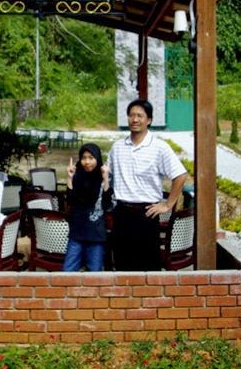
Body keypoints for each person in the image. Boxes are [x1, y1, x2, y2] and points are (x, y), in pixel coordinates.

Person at [108, 99, 187, 271]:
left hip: (147, 215)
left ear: (149, 120)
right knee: (121, 264)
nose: (135, 119)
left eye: (140, 116)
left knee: (148, 268)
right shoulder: (117, 147)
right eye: (131, 115)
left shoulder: (159, 147)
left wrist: (167, 205)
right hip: (121, 214)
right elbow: (108, 176)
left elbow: (180, 175)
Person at [62, 143, 114, 272]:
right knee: (68, 271)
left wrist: (106, 179)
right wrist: (69, 178)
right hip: (77, 232)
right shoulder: (77, 175)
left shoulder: (104, 177)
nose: (87, 162)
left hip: (96, 234)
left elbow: (107, 205)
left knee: (95, 273)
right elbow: (71, 201)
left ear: (97, 158)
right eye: (84, 158)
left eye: (91, 158)